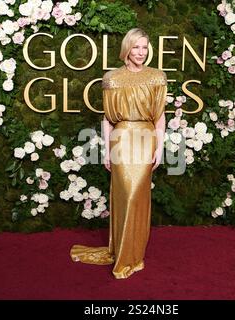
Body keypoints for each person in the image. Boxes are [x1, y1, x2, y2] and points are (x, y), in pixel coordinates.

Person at [70, 28, 167, 279]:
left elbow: (160, 118)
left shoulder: (157, 77)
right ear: (127, 49)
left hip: (146, 139)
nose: (141, 52)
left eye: (145, 47)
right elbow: (107, 120)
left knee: (138, 196)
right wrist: (105, 150)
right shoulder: (112, 78)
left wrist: (161, 147)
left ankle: (133, 254)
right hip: (121, 139)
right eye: (136, 47)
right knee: (125, 195)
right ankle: (123, 252)